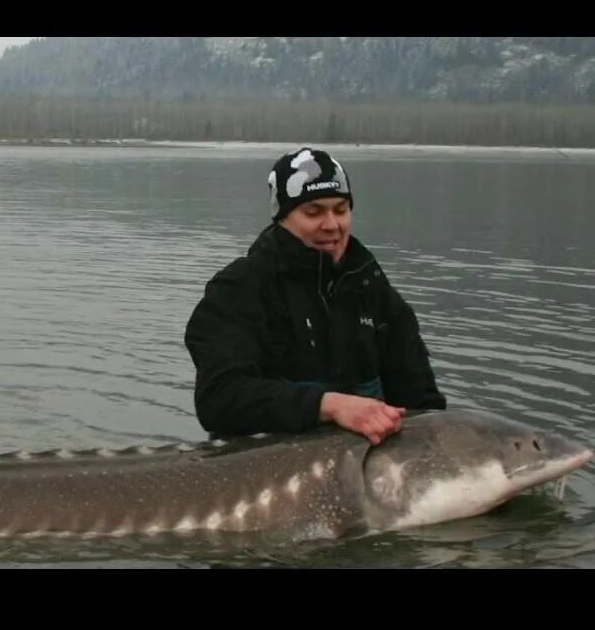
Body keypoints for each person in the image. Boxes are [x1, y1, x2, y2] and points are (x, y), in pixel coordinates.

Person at [184, 147, 446, 446]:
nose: (332, 224)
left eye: (341, 209)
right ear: (282, 217)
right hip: (256, 471)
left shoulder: (374, 291)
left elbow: (424, 406)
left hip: (362, 470)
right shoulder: (239, 289)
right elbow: (219, 399)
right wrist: (329, 406)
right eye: (314, 212)